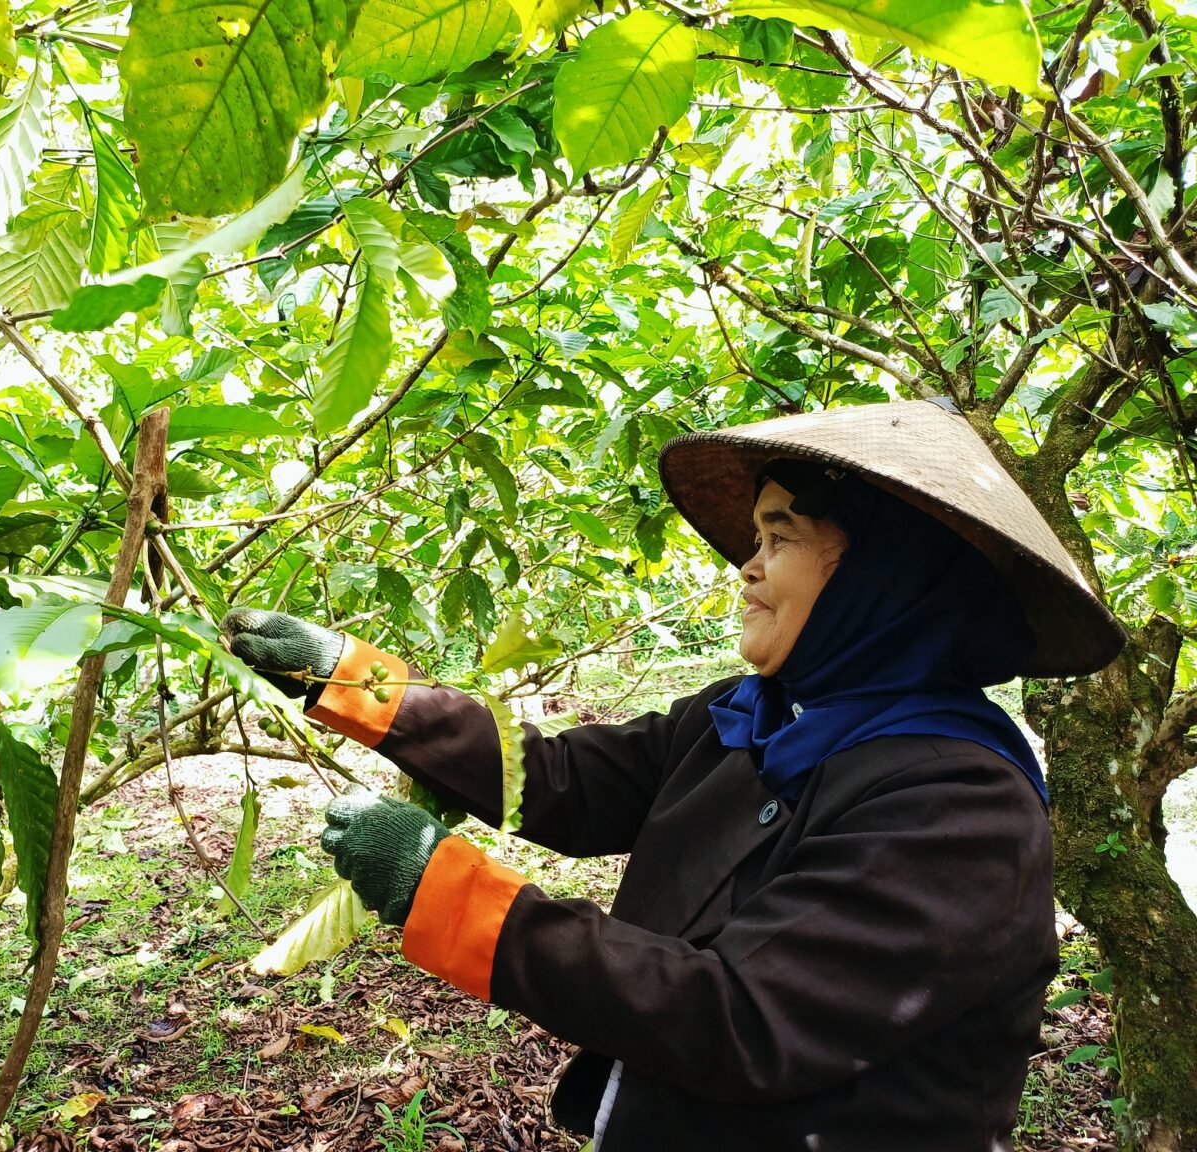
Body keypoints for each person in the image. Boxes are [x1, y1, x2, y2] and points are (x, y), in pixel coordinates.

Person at [222, 399, 1125, 1151]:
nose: (749, 566)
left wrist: (446, 892)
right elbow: (566, 780)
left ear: (884, 578)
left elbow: (742, 1016)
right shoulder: (755, 712)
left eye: (780, 535)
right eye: (757, 535)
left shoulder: (960, 809)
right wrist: (358, 684)